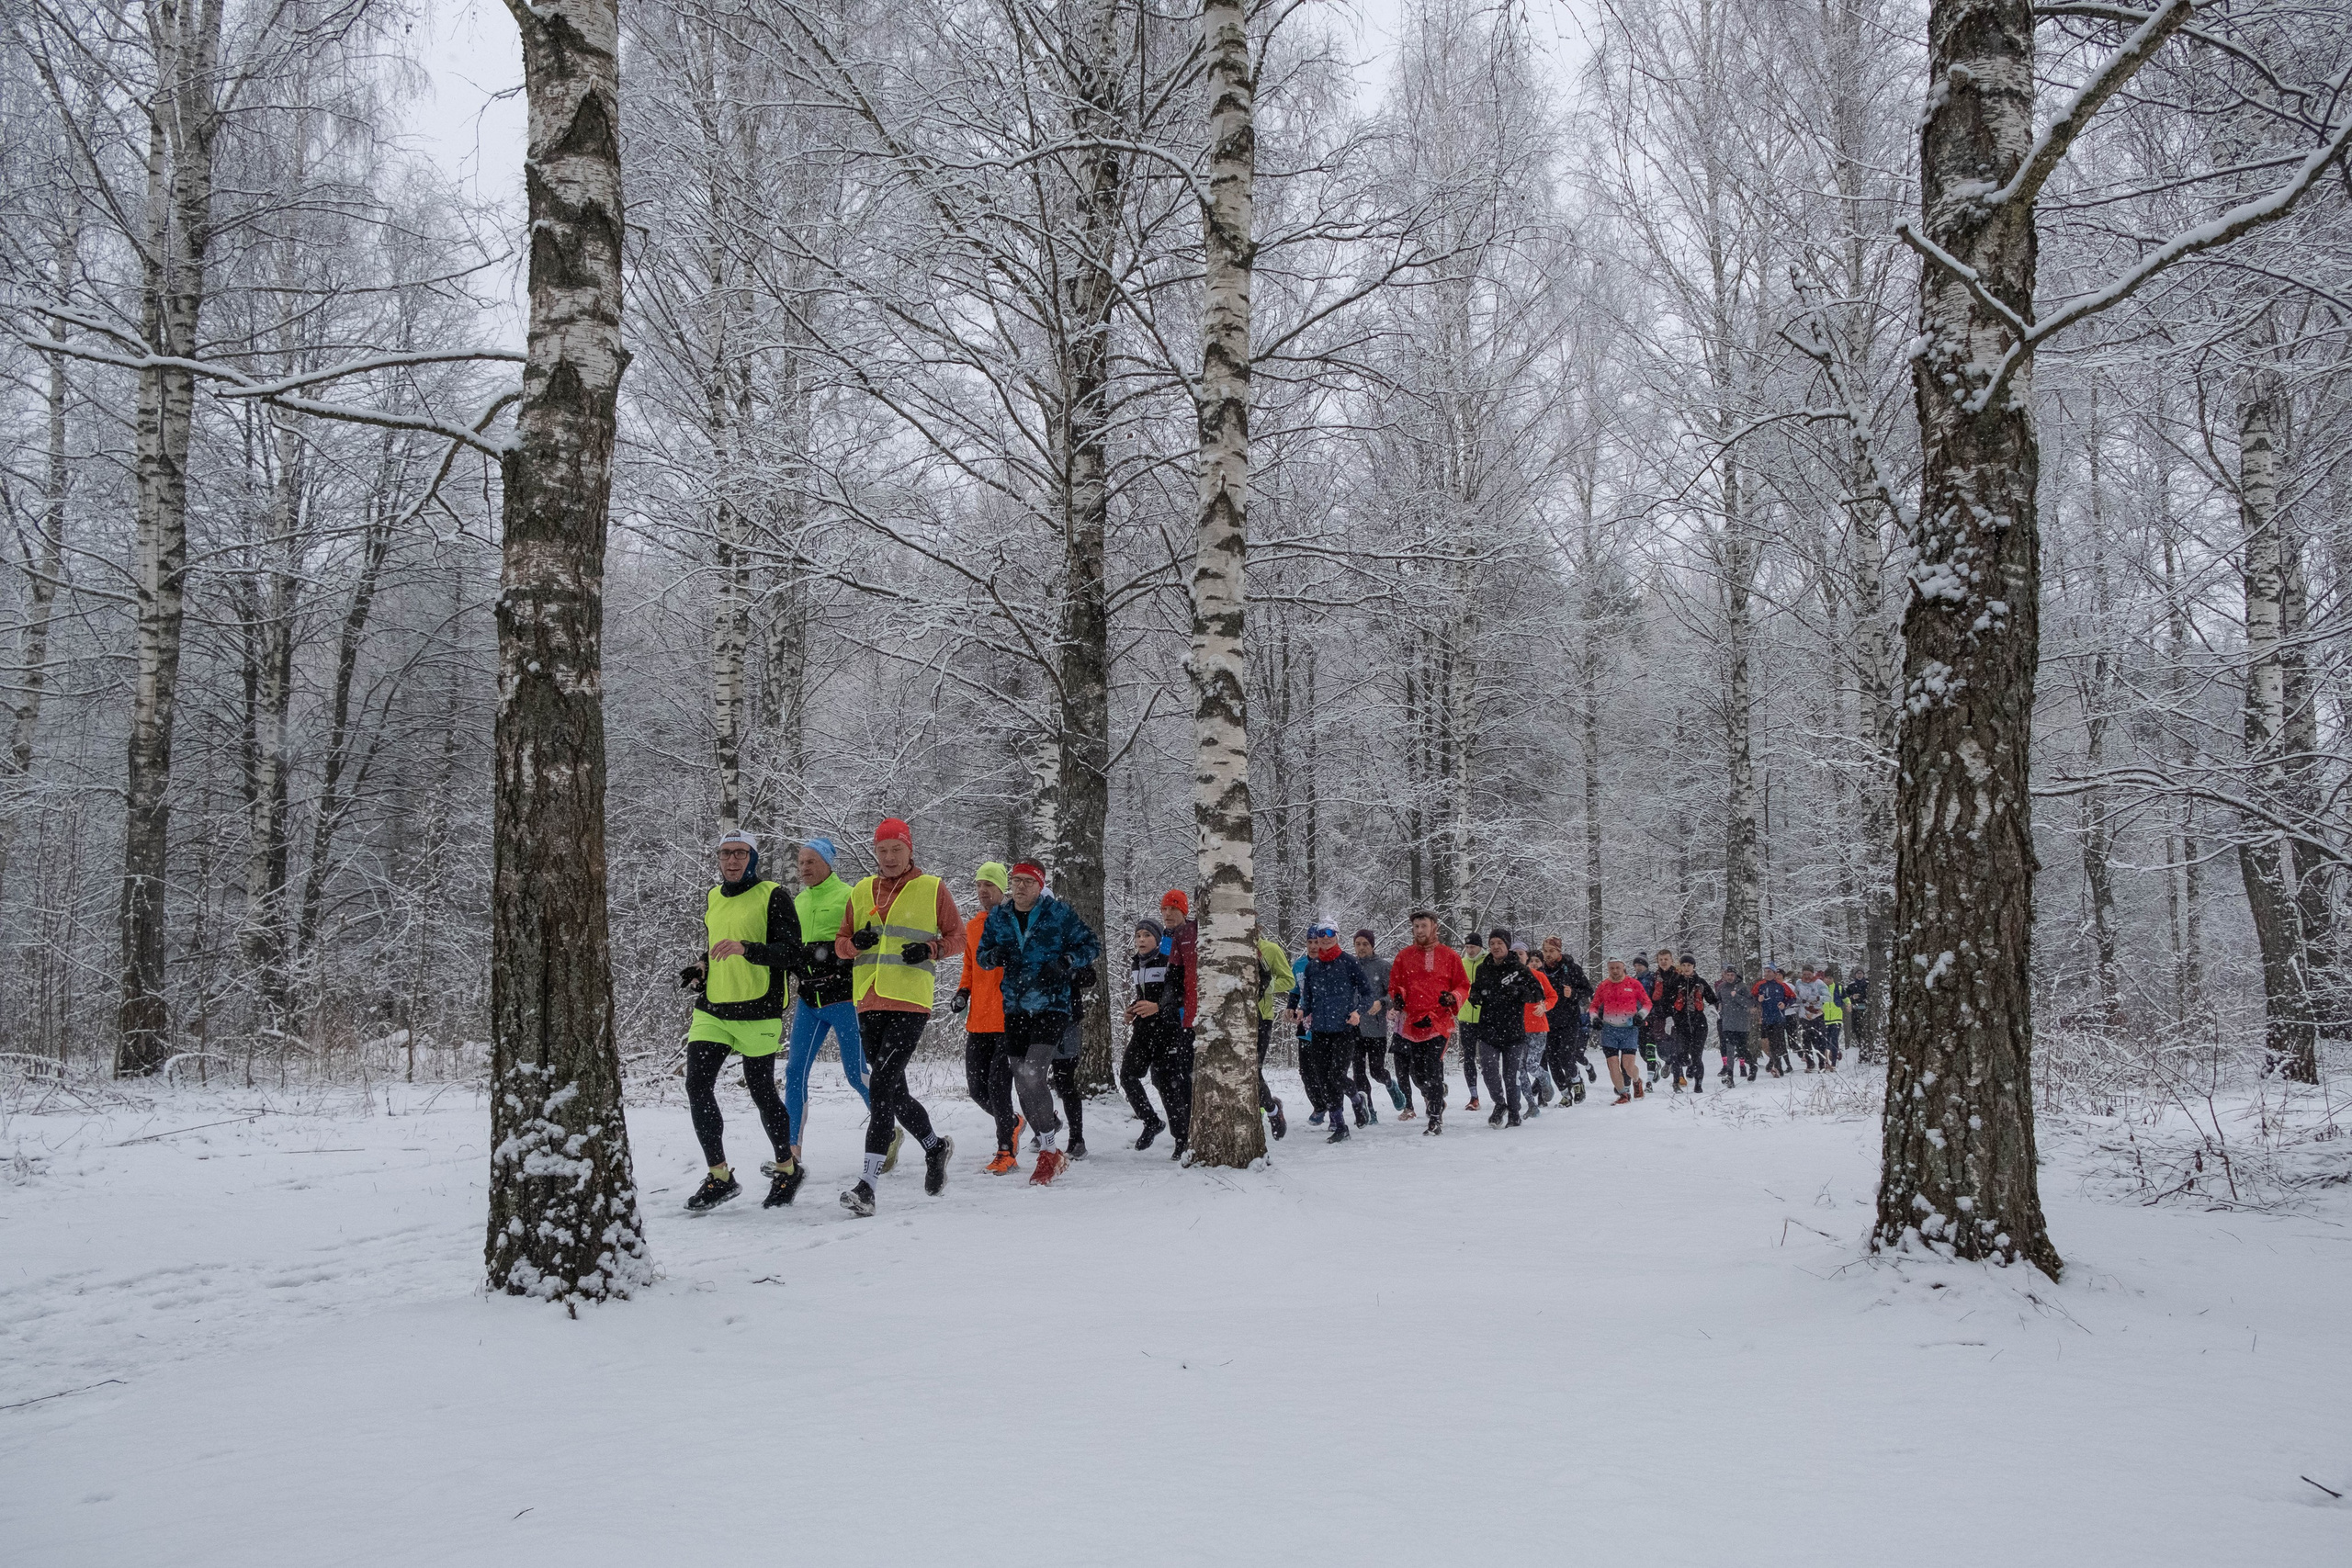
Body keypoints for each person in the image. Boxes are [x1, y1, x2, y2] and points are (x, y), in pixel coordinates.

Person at [834, 818, 964, 1216]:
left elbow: (958, 937)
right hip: (868, 999)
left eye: (897, 850)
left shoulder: (932, 887)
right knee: (895, 1092)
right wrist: (855, 945)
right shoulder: (860, 890)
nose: (889, 858)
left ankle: (868, 1185)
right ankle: (935, 1147)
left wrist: (930, 950)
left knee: (882, 1086)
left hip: (910, 1001)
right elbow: (840, 945)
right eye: (882, 851)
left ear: (910, 850)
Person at [678, 829, 802, 1211]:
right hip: (714, 1008)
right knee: (697, 1087)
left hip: (758, 1008)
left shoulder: (773, 895)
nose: (732, 860)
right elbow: (718, 941)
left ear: (754, 859)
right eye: (726, 854)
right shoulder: (714, 896)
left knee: (761, 1091)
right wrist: (701, 966)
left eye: (741, 854)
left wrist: (748, 950)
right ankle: (719, 1177)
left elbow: (791, 952)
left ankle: (787, 1168)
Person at [976, 862, 1102, 1187]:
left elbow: (1091, 944)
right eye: (1016, 881)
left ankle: (1049, 1153)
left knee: (1033, 1072)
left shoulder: (1058, 914)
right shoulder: (1000, 917)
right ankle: (1050, 1148)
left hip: (1052, 1006)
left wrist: (1066, 961)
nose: (1020, 887)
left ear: (1039, 885)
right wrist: (995, 957)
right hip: (1015, 1007)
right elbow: (981, 955)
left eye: (1027, 882)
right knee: (1022, 1078)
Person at [779, 836, 873, 1172]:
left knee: (855, 1073)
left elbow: (865, 940)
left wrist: (839, 959)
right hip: (809, 1001)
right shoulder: (798, 902)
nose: (803, 868)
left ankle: (886, 1129)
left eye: (810, 861)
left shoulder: (848, 895)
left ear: (828, 864)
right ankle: (792, 1147)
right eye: (801, 862)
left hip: (844, 999)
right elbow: (791, 949)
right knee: (794, 1071)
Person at [954, 863, 1022, 1175]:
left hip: (1009, 1019)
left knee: (997, 1086)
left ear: (1002, 890)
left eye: (989, 886)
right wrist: (962, 993)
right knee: (977, 1090)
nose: (983, 891)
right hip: (978, 1021)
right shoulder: (973, 926)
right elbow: (969, 967)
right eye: (979, 885)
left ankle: (1005, 1150)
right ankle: (1015, 1123)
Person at [1386, 909, 1468, 1134]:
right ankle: (1437, 1094)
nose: (1419, 931)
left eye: (1424, 926)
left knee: (1433, 1067)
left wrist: (1452, 997)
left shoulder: (1450, 956)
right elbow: (1395, 985)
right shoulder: (1403, 956)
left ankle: (1434, 1118)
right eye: (1416, 927)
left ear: (1434, 927)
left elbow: (1463, 986)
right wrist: (1399, 996)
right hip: (1412, 1023)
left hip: (1438, 1022)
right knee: (1416, 1073)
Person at [1293, 924, 1373, 1142]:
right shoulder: (1312, 967)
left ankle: (1357, 1100)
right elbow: (1308, 999)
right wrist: (1301, 1011)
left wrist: (1358, 1013)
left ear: (1337, 936)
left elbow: (1367, 993)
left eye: (1330, 934)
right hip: (1319, 1030)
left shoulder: (1349, 962)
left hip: (1344, 1029)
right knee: (1324, 1080)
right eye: (1321, 935)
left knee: (1337, 1076)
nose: (1325, 939)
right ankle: (1340, 1126)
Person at [1120, 919, 1191, 1156]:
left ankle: (1182, 1139)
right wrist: (1132, 1009)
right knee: (1127, 1076)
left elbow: (1177, 995)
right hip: (1143, 1029)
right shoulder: (1136, 963)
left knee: (1165, 1082)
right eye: (1138, 935)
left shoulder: (1168, 960)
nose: (1141, 940)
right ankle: (1151, 1121)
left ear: (1158, 939)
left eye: (1147, 935)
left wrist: (1158, 1007)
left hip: (1168, 1029)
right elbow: (1143, 995)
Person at [1467, 930, 1538, 1128]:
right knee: (1489, 1071)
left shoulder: (1519, 969)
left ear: (1507, 945)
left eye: (1500, 943)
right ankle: (1500, 1104)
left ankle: (1514, 1113)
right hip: (1488, 1030)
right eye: (1492, 943)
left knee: (1510, 1074)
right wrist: (1475, 996)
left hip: (1513, 1032)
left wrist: (1519, 992)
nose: (1496, 947)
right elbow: (1476, 988)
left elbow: (1536, 993)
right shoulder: (1483, 968)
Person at [1351, 929, 1405, 1117]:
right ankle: (1369, 1110)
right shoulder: (1350, 966)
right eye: (1358, 944)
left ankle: (1390, 1084)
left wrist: (1381, 1003)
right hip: (1353, 1027)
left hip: (1376, 1028)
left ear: (1372, 945)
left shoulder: (1382, 966)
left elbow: (1393, 994)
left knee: (1376, 1071)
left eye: (1365, 944)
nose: (1361, 948)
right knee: (1358, 1072)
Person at [1535, 937, 1593, 1104]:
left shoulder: (1572, 969)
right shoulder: (1541, 972)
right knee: (1552, 1060)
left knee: (1565, 1056)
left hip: (1569, 1020)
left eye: (1551, 951)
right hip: (1548, 1021)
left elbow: (1588, 990)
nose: (1548, 955)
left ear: (1559, 951)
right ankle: (1565, 1094)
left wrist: (1573, 993)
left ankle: (1576, 1081)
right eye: (1545, 951)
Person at [1589, 957, 1653, 1104]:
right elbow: (1593, 1006)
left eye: (1618, 968)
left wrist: (1641, 1015)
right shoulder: (1603, 985)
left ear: (1623, 967)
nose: (1615, 971)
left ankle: (1636, 1080)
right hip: (1609, 1030)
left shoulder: (1633, 984)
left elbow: (1647, 1003)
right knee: (1612, 1064)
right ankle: (1623, 1094)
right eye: (1612, 968)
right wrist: (1595, 1018)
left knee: (1628, 1066)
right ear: (1608, 969)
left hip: (1629, 1029)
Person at [1254, 926, 1295, 1138]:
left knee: (1254, 1070)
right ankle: (1267, 1108)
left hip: (1262, 1017)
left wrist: (1267, 985)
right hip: (1233, 1019)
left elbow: (1289, 980)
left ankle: (1272, 1110)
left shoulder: (1270, 949)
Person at [1511, 940, 1557, 1115]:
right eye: (1514, 954)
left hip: (1538, 1027)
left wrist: (1544, 1006)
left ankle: (1544, 1078)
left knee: (1531, 1065)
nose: (1517, 958)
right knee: (1519, 1069)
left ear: (1526, 957)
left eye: (1520, 954)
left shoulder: (1538, 976)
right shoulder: (1507, 977)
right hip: (1516, 1029)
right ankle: (1532, 1105)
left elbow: (1553, 996)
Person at [1668, 953, 1716, 1093]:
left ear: (1694, 966)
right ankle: (1685, 1067)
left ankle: (1698, 1085)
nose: (1686, 968)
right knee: (1681, 1053)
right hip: (1680, 1023)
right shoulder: (1675, 981)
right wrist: (1669, 1017)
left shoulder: (1700, 982)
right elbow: (1666, 1001)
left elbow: (1712, 998)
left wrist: (1713, 1007)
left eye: (1689, 965)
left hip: (1699, 1023)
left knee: (1697, 1055)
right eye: (1683, 965)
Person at [1457, 934, 1487, 1111]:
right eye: (1467, 947)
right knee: (1468, 1057)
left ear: (1480, 947)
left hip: (1486, 1018)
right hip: (1466, 1017)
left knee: (1487, 1059)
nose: (1470, 950)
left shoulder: (1488, 962)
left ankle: (1497, 1093)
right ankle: (1474, 1096)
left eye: (1473, 947)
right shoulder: (1461, 964)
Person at [1754, 965, 1798, 1077]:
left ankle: (1778, 1067)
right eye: (1765, 972)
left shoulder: (1782, 986)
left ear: (1774, 973)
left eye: (1769, 972)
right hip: (1765, 1018)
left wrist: (1785, 1004)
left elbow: (1793, 998)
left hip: (1778, 1018)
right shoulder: (1760, 985)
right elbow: (1751, 998)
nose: (1767, 974)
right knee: (1766, 1043)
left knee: (1776, 1042)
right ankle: (1775, 1062)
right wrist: (1757, 1000)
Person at [1715, 967, 1758, 1084]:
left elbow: (1750, 1003)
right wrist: (1718, 1006)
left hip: (1741, 1024)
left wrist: (1737, 996)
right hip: (1727, 1023)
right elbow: (1717, 1001)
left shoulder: (1742, 987)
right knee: (1729, 1049)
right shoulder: (1721, 988)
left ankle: (1753, 1066)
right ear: (1724, 975)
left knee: (1741, 1050)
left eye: (1732, 975)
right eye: (1728, 975)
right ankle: (1730, 1076)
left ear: (1735, 975)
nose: (1730, 977)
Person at [1795, 963, 1831, 1072]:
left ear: (1813, 973)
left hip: (1817, 1015)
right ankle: (1810, 1063)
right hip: (1803, 1015)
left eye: (1809, 974)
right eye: (1804, 974)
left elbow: (1828, 998)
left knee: (1819, 1040)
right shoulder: (1798, 983)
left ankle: (1822, 1062)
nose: (1806, 976)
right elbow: (1795, 996)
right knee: (1806, 1040)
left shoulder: (1819, 983)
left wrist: (1817, 998)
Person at [1819, 964, 1847, 1069]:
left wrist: (1848, 1004)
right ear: (1823, 978)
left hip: (1836, 1018)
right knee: (1825, 1041)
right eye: (1826, 978)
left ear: (1833, 979)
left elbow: (1845, 998)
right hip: (1824, 1018)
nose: (1828, 980)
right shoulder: (1820, 988)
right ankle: (1826, 1062)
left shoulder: (1838, 987)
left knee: (1834, 1040)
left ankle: (1834, 1063)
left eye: (1830, 978)